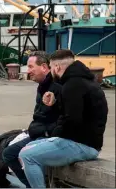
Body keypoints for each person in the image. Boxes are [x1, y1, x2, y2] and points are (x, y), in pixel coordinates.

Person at [19, 49, 108, 188]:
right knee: (29, 147)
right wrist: (56, 102)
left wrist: (54, 135)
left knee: (27, 155)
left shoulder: (72, 86)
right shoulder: (83, 81)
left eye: (51, 67)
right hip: (84, 142)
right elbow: (76, 112)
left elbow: (72, 120)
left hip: (83, 145)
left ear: (57, 67)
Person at [1, 51, 61, 187]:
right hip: (38, 132)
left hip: (49, 135)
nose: (28, 71)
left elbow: (62, 117)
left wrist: (46, 132)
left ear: (44, 67)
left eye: (30, 67)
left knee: (26, 154)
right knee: (8, 153)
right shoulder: (42, 86)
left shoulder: (56, 87)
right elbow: (39, 115)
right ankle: (32, 185)